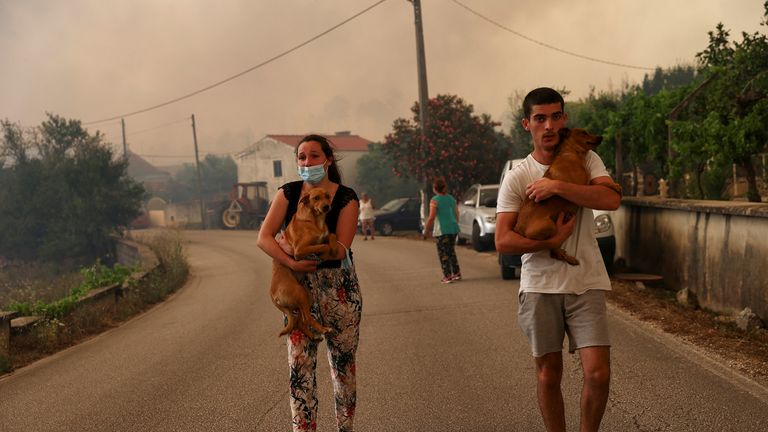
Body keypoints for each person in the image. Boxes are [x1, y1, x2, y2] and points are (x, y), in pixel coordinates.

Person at [494, 87, 621, 432]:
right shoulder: (518, 176)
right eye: (540, 118)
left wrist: (558, 188)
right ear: (527, 124)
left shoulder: (585, 159)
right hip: (540, 286)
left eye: (555, 116)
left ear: (564, 119)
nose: (548, 125)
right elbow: (503, 240)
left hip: (586, 282)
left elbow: (610, 200)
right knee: (549, 374)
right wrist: (551, 240)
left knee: (598, 372)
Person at [257, 134, 362, 432]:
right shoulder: (288, 194)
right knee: (299, 372)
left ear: (328, 159)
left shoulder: (346, 198)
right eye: (301, 158)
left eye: (314, 156)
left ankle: (345, 428)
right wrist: (290, 261)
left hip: (340, 293)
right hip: (298, 286)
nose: (307, 163)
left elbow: (340, 249)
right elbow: (263, 238)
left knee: (343, 369)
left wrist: (294, 247)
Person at [422, 177, 462, 284]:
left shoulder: (435, 200)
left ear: (435, 189)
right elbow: (457, 213)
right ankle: (456, 273)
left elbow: (431, 217)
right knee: (451, 251)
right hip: (453, 228)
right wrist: (455, 224)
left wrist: (426, 230)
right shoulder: (451, 199)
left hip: (442, 230)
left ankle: (447, 276)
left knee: (443, 253)